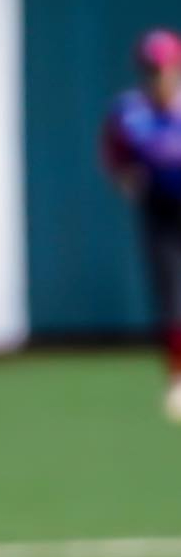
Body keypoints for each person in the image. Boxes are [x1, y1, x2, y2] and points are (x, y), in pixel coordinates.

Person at [101, 28, 181, 423]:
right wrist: (126, 179)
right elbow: (115, 158)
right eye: (151, 69)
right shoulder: (130, 113)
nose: (158, 76)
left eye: (164, 68)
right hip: (161, 212)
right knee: (172, 300)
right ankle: (177, 381)